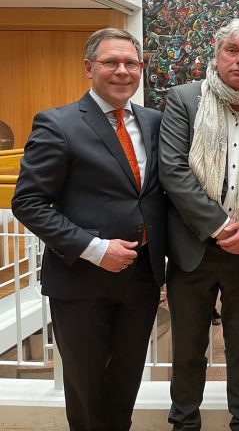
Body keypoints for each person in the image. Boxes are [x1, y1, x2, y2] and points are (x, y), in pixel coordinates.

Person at [12, 28, 166, 431]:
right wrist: (95, 249)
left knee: (124, 389)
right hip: (81, 283)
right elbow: (28, 202)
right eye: (110, 62)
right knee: (87, 395)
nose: (122, 71)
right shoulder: (57, 123)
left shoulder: (153, 122)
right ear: (88, 68)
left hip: (140, 282)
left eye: (131, 63)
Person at [159, 19, 239, 431]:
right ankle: (184, 423)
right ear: (216, 55)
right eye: (232, 50)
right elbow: (172, 170)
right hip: (193, 247)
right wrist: (219, 225)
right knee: (187, 350)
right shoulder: (184, 100)